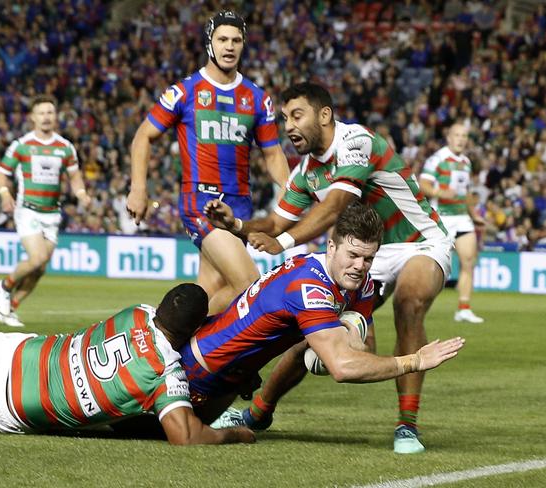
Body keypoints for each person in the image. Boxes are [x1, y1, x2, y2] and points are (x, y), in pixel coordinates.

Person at [204, 83, 454, 454]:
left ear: (324, 115)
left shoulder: (357, 142)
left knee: (410, 301)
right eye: (284, 118)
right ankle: (258, 413)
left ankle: (407, 426)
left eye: (297, 115)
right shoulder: (305, 172)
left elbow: (336, 206)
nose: (288, 126)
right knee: (309, 329)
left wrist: (285, 244)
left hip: (420, 242)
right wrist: (238, 226)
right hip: (367, 253)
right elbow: (274, 224)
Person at [180, 204, 464, 434]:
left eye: (368, 258)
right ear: (331, 248)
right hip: (199, 378)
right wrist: (413, 361)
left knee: (309, 342)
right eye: (352, 255)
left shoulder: (362, 285)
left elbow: (358, 347)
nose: (359, 266)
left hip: (228, 383)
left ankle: (258, 414)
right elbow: (342, 368)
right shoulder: (309, 286)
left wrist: (346, 340)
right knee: (158, 432)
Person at [0, 284, 255, 446]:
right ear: (195, 329)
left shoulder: (137, 311)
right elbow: (186, 437)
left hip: (12, 354)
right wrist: (237, 435)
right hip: (14, 410)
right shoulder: (166, 373)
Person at [126, 10, 289, 314]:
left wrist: (288, 191)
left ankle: (184, 350)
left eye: (236, 40)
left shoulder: (256, 98)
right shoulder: (184, 92)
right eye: (222, 39)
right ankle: (175, 339)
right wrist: (138, 188)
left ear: (244, 45)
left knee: (209, 298)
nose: (230, 46)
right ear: (209, 44)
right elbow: (143, 137)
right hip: (200, 201)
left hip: (240, 206)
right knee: (250, 285)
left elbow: (272, 153)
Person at [0, 95, 91, 327]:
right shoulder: (22, 145)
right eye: (42, 113)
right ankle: (5, 285)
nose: (46, 117)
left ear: (55, 117)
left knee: (40, 268)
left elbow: (75, 176)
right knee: (36, 258)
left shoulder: (65, 147)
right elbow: (1, 173)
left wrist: (81, 194)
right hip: (28, 210)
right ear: (33, 118)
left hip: (52, 214)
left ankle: (10, 309)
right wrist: (5, 194)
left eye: (50, 112)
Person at [420, 123, 486, 323]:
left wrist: (473, 214)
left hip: (462, 218)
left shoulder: (466, 162)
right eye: (457, 135)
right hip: (442, 218)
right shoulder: (437, 159)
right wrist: (440, 193)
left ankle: (464, 308)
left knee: (468, 262)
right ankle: (419, 304)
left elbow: (464, 192)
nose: (461, 139)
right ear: (449, 137)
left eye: (464, 135)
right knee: (434, 267)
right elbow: (423, 185)